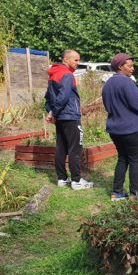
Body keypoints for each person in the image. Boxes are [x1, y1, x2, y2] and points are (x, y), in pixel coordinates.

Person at [102, 53, 138, 201]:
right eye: (129, 65)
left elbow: (109, 106)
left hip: (115, 129)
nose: (132, 68)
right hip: (132, 129)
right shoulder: (127, 83)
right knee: (135, 161)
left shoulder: (108, 84)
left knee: (122, 159)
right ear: (120, 66)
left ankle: (117, 192)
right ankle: (134, 194)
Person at [44, 49, 94, 190]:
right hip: (70, 117)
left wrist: (51, 112)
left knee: (61, 148)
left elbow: (47, 98)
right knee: (75, 149)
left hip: (60, 118)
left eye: (78, 60)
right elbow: (64, 97)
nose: (78, 63)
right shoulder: (67, 74)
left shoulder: (54, 74)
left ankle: (62, 179)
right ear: (66, 59)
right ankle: (76, 181)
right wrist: (53, 112)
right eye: (75, 60)